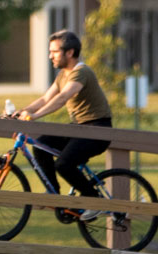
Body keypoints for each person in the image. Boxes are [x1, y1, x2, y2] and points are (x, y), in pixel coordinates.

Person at [7, 31, 114, 219]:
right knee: (41, 147)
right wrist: (20, 113)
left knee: (64, 164)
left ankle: (94, 199)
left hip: (98, 129)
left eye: (54, 52)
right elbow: (44, 98)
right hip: (79, 128)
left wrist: (35, 115)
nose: (50, 56)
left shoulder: (81, 72)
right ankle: (54, 195)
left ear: (70, 52)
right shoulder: (62, 76)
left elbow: (63, 97)